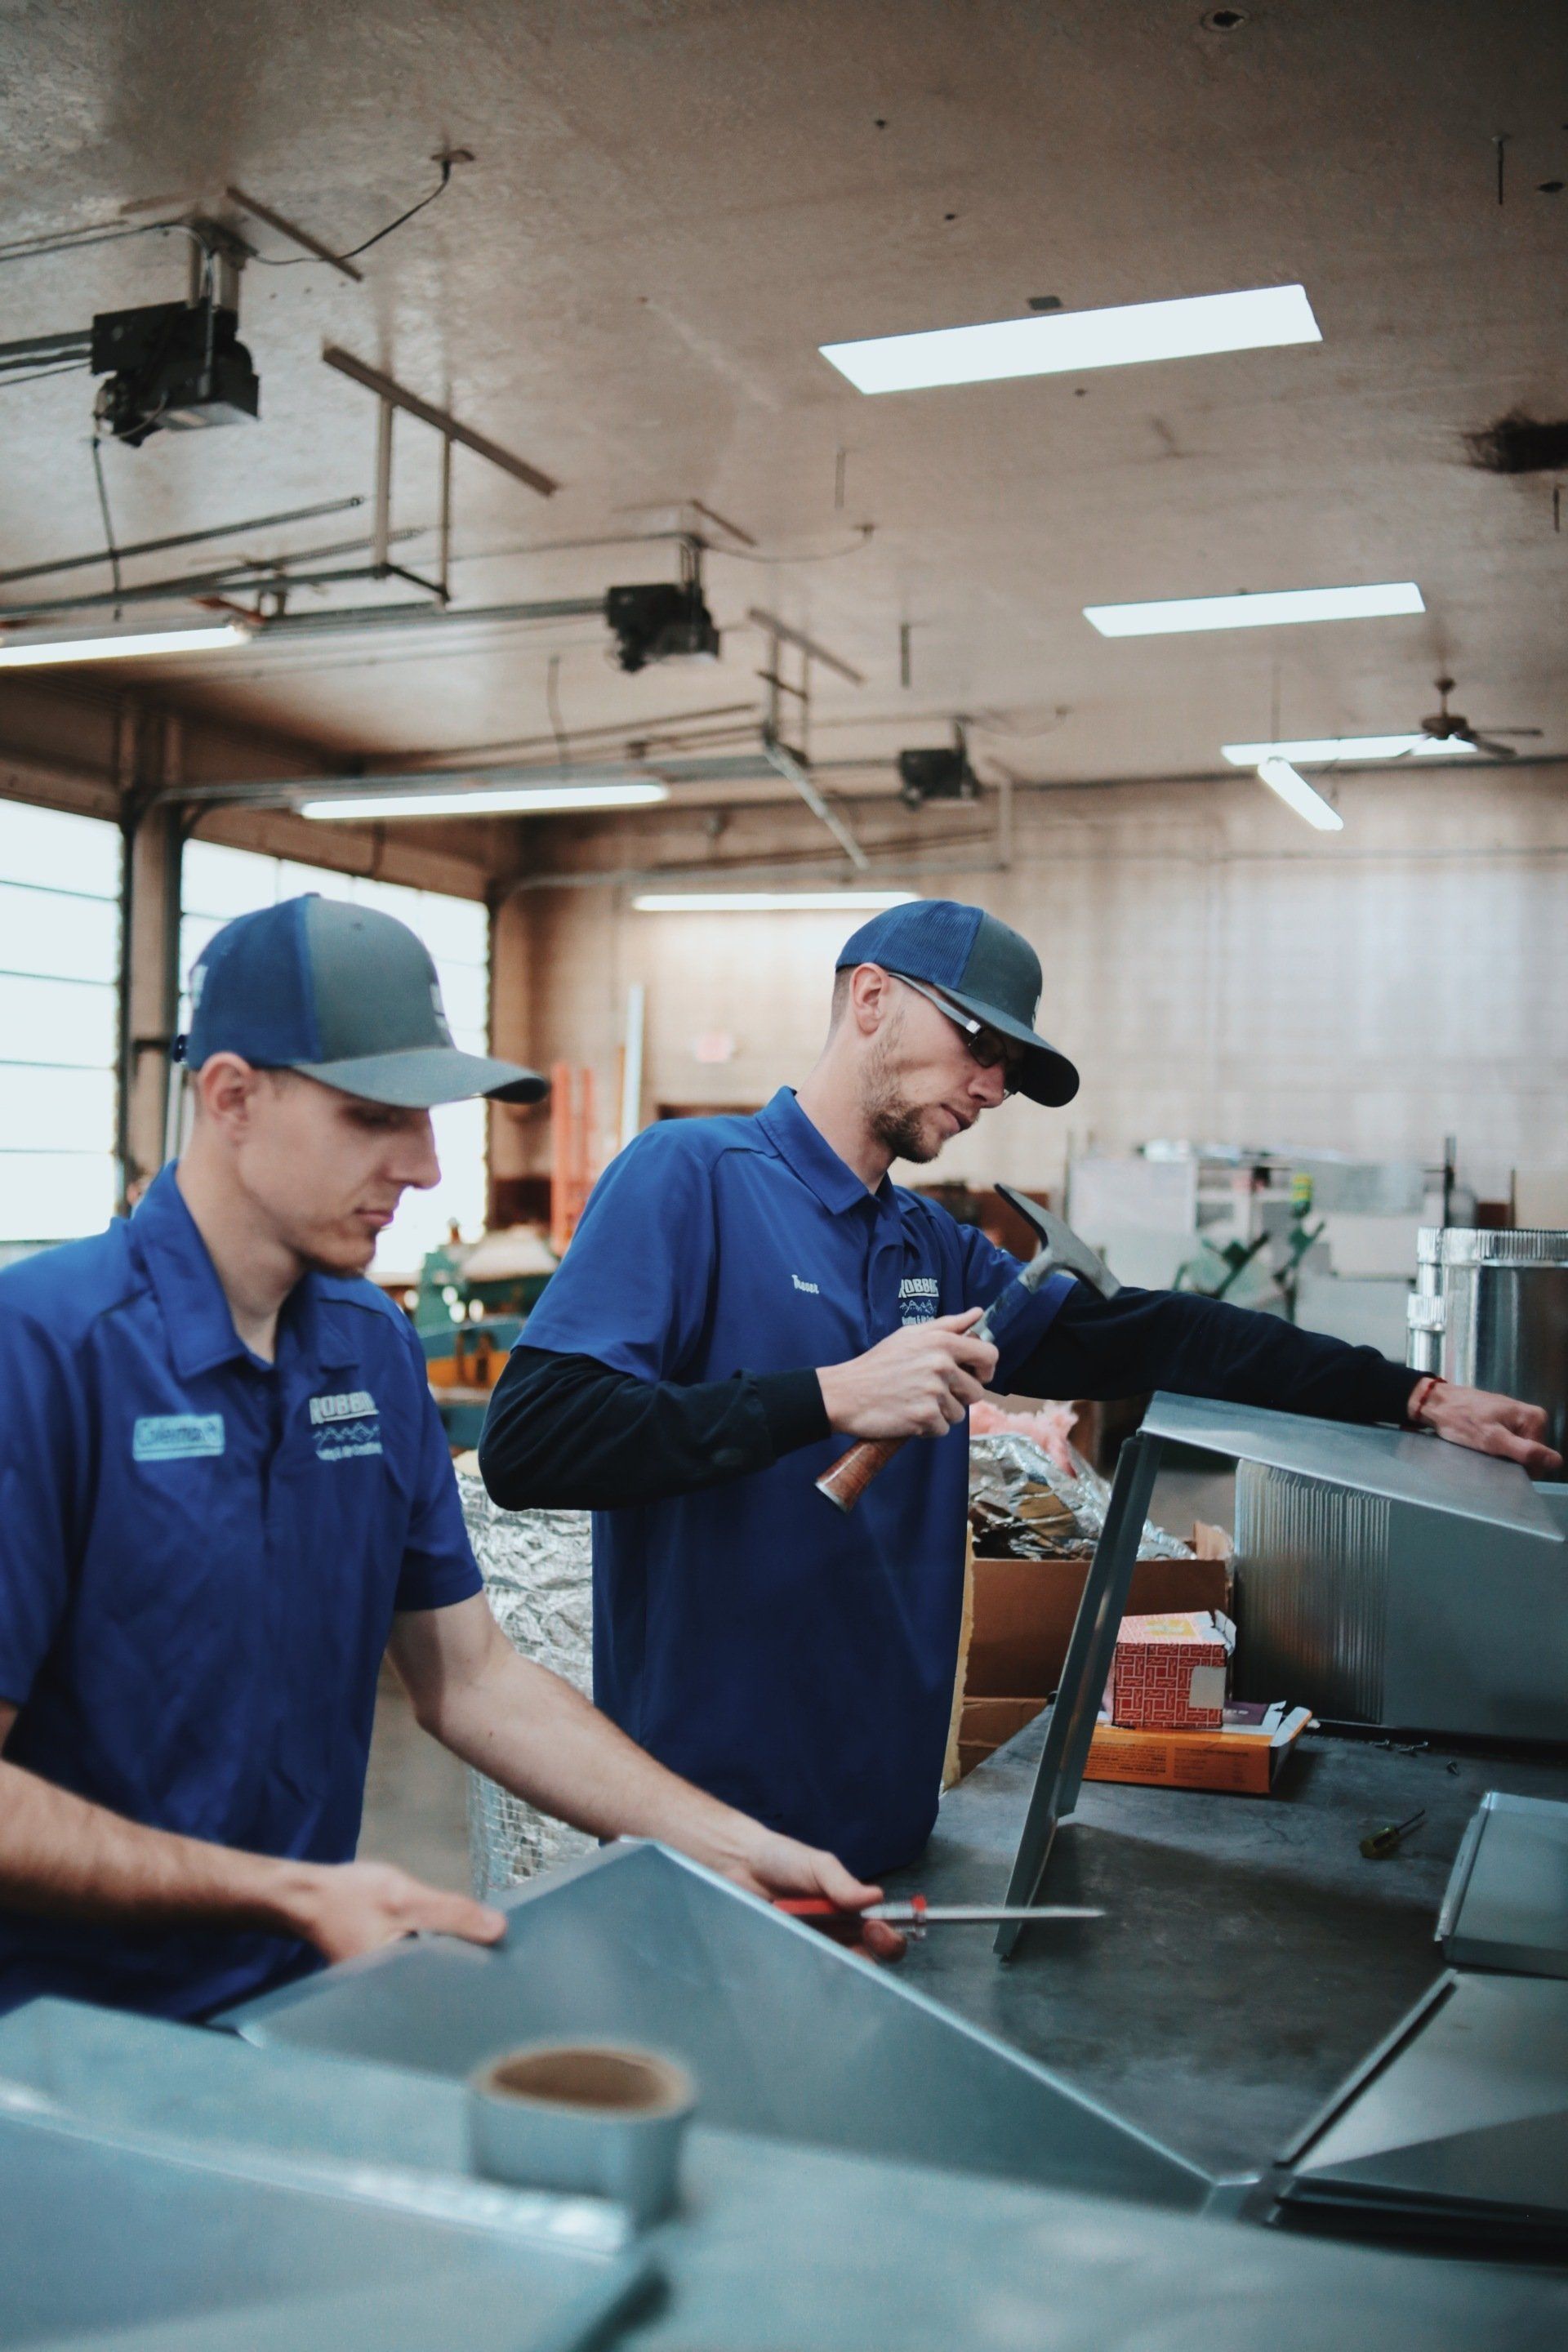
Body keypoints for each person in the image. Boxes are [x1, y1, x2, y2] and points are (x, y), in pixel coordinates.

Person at [479, 898, 1558, 1882]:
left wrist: (1412, 1397)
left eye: (1010, 1065)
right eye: (980, 1045)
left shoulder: (931, 1251)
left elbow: (1158, 1336)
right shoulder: (690, 1179)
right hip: (706, 1832)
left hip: (890, 1828)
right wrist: (828, 1398)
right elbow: (537, 1441)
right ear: (871, 999)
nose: (994, 1085)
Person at [0, 894, 894, 2021]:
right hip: (54, 2044)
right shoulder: (42, 1355)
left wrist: (724, 1843)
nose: (424, 1167)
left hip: (289, 2014)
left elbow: (470, 1679)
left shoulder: (367, 1353)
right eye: (378, 1116)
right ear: (231, 1096)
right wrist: (285, 1892)